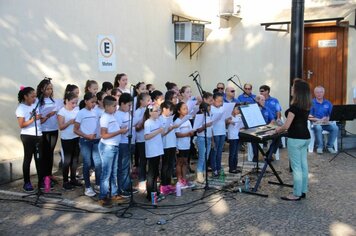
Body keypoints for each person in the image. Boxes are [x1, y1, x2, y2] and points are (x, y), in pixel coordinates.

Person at [275, 79, 311, 201]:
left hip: (295, 139)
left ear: (298, 91)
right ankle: (303, 190)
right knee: (303, 165)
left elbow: (286, 126)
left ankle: (296, 194)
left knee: (296, 167)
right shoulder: (306, 105)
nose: (291, 88)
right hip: (305, 137)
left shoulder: (294, 107)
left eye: (293, 87)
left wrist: (277, 130)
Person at [98, 96, 128, 207]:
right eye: (114, 106)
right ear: (106, 106)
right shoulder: (105, 117)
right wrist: (120, 131)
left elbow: (114, 130)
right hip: (107, 147)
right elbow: (104, 135)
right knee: (106, 173)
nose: (116, 107)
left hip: (114, 146)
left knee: (114, 172)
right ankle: (103, 196)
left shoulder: (112, 116)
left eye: (116, 105)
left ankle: (114, 194)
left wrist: (121, 129)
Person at [74, 92, 101, 197]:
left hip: (95, 140)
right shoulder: (81, 113)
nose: (93, 104)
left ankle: (98, 184)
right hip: (85, 141)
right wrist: (86, 135)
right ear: (85, 101)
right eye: (91, 102)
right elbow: (75, 129)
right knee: (87, 163)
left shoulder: (95, 112)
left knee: (98, 163)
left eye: (95, 102)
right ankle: (88, 187)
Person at [16, 87, 43, 193]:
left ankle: (40, 181)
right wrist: (33, 119)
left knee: (39, 159)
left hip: (38, 134)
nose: (34, 98)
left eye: (35, 96)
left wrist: (41, 118)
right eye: (32, 96)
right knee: (28, 158)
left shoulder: (35, 104)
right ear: (25, 96)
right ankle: (27, 182)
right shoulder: (21, 108)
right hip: (27, 136)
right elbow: (22, 125)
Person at [37, 78, 60, 189]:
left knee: (50, 153)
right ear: (42, 89)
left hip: (53, 129)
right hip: (43, 130)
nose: (50, 91)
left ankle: (49, 175)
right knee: (44, 155)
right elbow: (36, 115)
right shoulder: (38, 101)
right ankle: (43, 177)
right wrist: (44, 116)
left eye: (51, 89)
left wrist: (55, 112)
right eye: (47, 89)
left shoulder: (54, 101)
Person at [57, 92, 82, 191]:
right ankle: (65, 181)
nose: (74, 105)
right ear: (66, 101)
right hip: (66, 139)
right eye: (72, 103)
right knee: (67, 160)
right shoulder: (62, 112)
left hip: (76, 137)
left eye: (76, 103)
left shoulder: (77, 110)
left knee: (75, 160)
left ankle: (73, 179)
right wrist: (69, 122)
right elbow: (61, 127)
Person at [115, 93, 137, 197]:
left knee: (128, 166)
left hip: (130, 141)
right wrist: (127, 128)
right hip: (122, 142)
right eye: (129, 105)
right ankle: (122, 188)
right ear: (122, 104)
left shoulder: (127, 113)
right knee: (123, 167)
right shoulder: (118, 114)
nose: (130, 107)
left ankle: (127, 185)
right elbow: (119, 130)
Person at [144, 105, 165, 202]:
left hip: (158, 149)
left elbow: (162, 132)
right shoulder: (148, 123)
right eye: (156, 111)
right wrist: (158, 131)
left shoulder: (158, 121)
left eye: (158, 110)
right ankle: (150, 194)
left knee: (156, 172)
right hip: (152, 150)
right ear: (150, 112)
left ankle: (155, 191)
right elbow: (147, 136)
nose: (158, 112)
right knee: (151, 173)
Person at [309, 86, 338, 154]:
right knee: (318, 128)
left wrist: (328, 118)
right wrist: (318, 119)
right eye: (317, 92)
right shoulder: (311, 102)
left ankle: (330, 146)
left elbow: (332, 114)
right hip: (315, 123)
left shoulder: (328, 103)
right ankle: (320, 147)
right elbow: (308, 116)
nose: (319, 94)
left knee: (335, 128)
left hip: (326, 123)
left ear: (323, 93)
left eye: (321, 92)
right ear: (314, 93)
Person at [174, 102, 195, 188]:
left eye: (186, 108)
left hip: (187, 144)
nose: (186, 110)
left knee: (185, 162)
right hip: (180, 145)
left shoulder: (187, 121)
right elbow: (177, 134)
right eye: (184, 109)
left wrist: (192, 133)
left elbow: (191, 131)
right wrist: (187, 134)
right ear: (179, 111)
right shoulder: (177, 121)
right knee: (180, 162)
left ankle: (184, 179)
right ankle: (179, 180)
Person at [159, 101, 178, 194]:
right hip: (165, 145)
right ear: (164, 109)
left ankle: (168, 183)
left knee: (171, 165)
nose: (171, 112)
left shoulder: (170, 118)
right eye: (170, 110)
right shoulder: (160, 119)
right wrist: (169, 129)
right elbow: (161, 134)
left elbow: (173, 132)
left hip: (172, 144)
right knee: (165, 165)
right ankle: (163, 184)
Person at [134, 93, 152, 191]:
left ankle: (150, 179)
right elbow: (136, 128)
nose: (150, 102)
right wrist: (144, 121)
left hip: (150, 139)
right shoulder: (137, 112)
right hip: (141, 139)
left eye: (150, 100)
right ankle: (141, 180)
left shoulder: (149, 110)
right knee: (143, 160)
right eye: (147, 100)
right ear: (141, 101)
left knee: (150, 159)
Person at [195, 102, 213, 183]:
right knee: (202, 156)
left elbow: (211, 129)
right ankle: (199, 174)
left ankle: (205, 173)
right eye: (207, 110)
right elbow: (198, 130)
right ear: (202, 110)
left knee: (207, 156)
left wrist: (212, 140)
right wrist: (205, 126)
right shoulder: (199, 117)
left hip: (208, 138)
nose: (208, 111)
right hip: (201, 138)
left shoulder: (209, 116)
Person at [210, 92, 226, 178]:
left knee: (219, 152)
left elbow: (224, 120)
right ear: (214, 100)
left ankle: (219, 168)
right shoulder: (211, 109)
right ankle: (214, 169)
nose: (220, 103)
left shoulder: (222, 108)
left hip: (222, 132)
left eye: (221, 101)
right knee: (214, 152)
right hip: (215, 133)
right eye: (219, 101)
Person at [226, 103, 244, 173]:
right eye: (237, 109)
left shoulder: (239, 117)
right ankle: (231, 168)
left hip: (237, 136)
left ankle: (235, 167)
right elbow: (227, 122)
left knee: (236, 153)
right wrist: (229, 121)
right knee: (232, 153)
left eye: (239, 109)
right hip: (232, 137)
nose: (238, 111)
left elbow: (241, 126)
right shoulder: (230, 116)